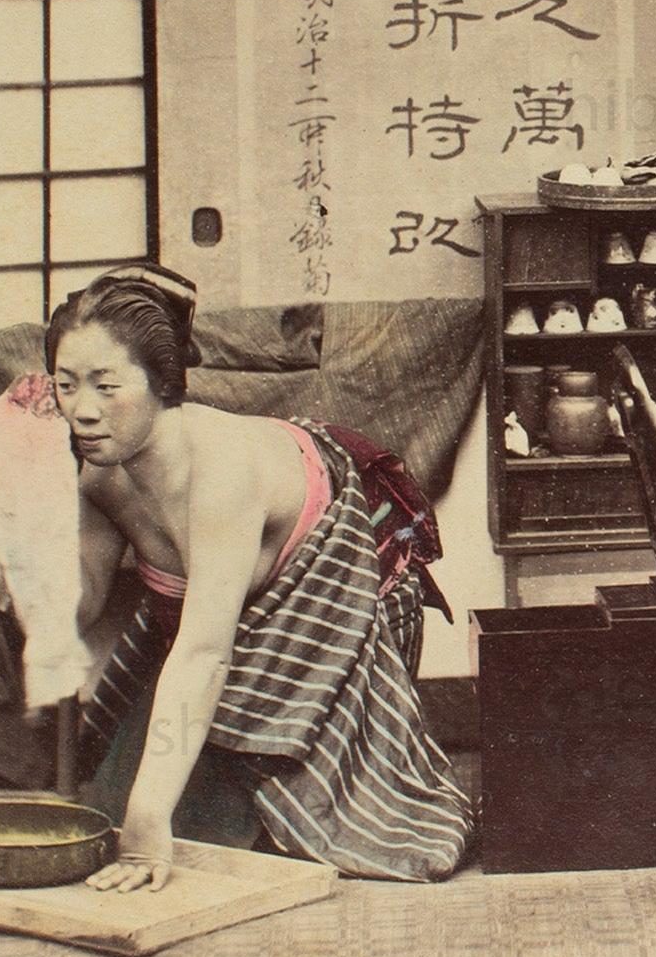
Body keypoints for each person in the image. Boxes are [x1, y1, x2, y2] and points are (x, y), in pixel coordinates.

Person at [48, 263, 472, 889]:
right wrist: (23, 507)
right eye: (66, 386)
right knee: (110, 817)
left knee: (196, 830)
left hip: (329, 624)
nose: (83, 411)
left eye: (107, 387)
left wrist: (149, 821)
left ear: (162, 382)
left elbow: (203, 654)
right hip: (217, 642)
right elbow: (72, 612)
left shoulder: (220, 472)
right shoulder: (101, 478)